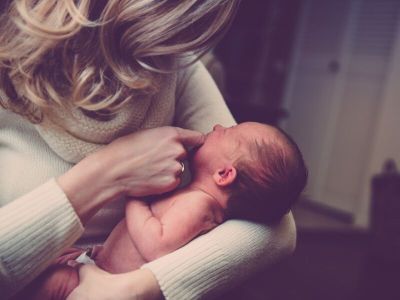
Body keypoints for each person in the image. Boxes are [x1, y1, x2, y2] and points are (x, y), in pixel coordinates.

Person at [0, 1, 297, 300]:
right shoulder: (8, 58)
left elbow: (278, 228)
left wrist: (133, 288)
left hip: (98, 274)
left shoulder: (175, 62)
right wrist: (114, 172)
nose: (218, 128)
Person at [21, 122, 307, 300]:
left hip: (109, 283)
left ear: (223, 173)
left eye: (227, 132)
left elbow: (156, 244)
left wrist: (134, 196)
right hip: (101, 264)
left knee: (52, 282)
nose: (218, 126)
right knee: (51, 265)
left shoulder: (198, 206)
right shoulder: (194, 197)